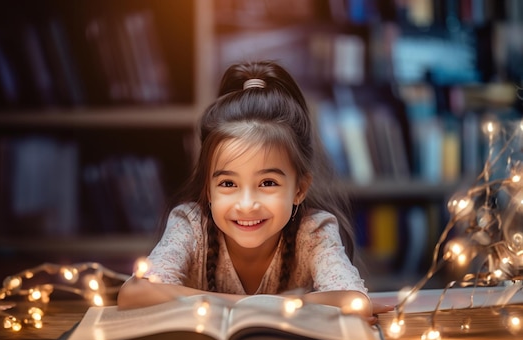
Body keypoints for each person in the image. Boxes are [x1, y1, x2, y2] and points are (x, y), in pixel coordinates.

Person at [117, 60, 391, 323]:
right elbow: (134, 293)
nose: (247, 205)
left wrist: (214, 303)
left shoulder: (313, 232)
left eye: (268, 183)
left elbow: (352, 301)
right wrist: (264, 306)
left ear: (299, 189)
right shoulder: (190, 225)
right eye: (228, 184)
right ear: (208, 190)